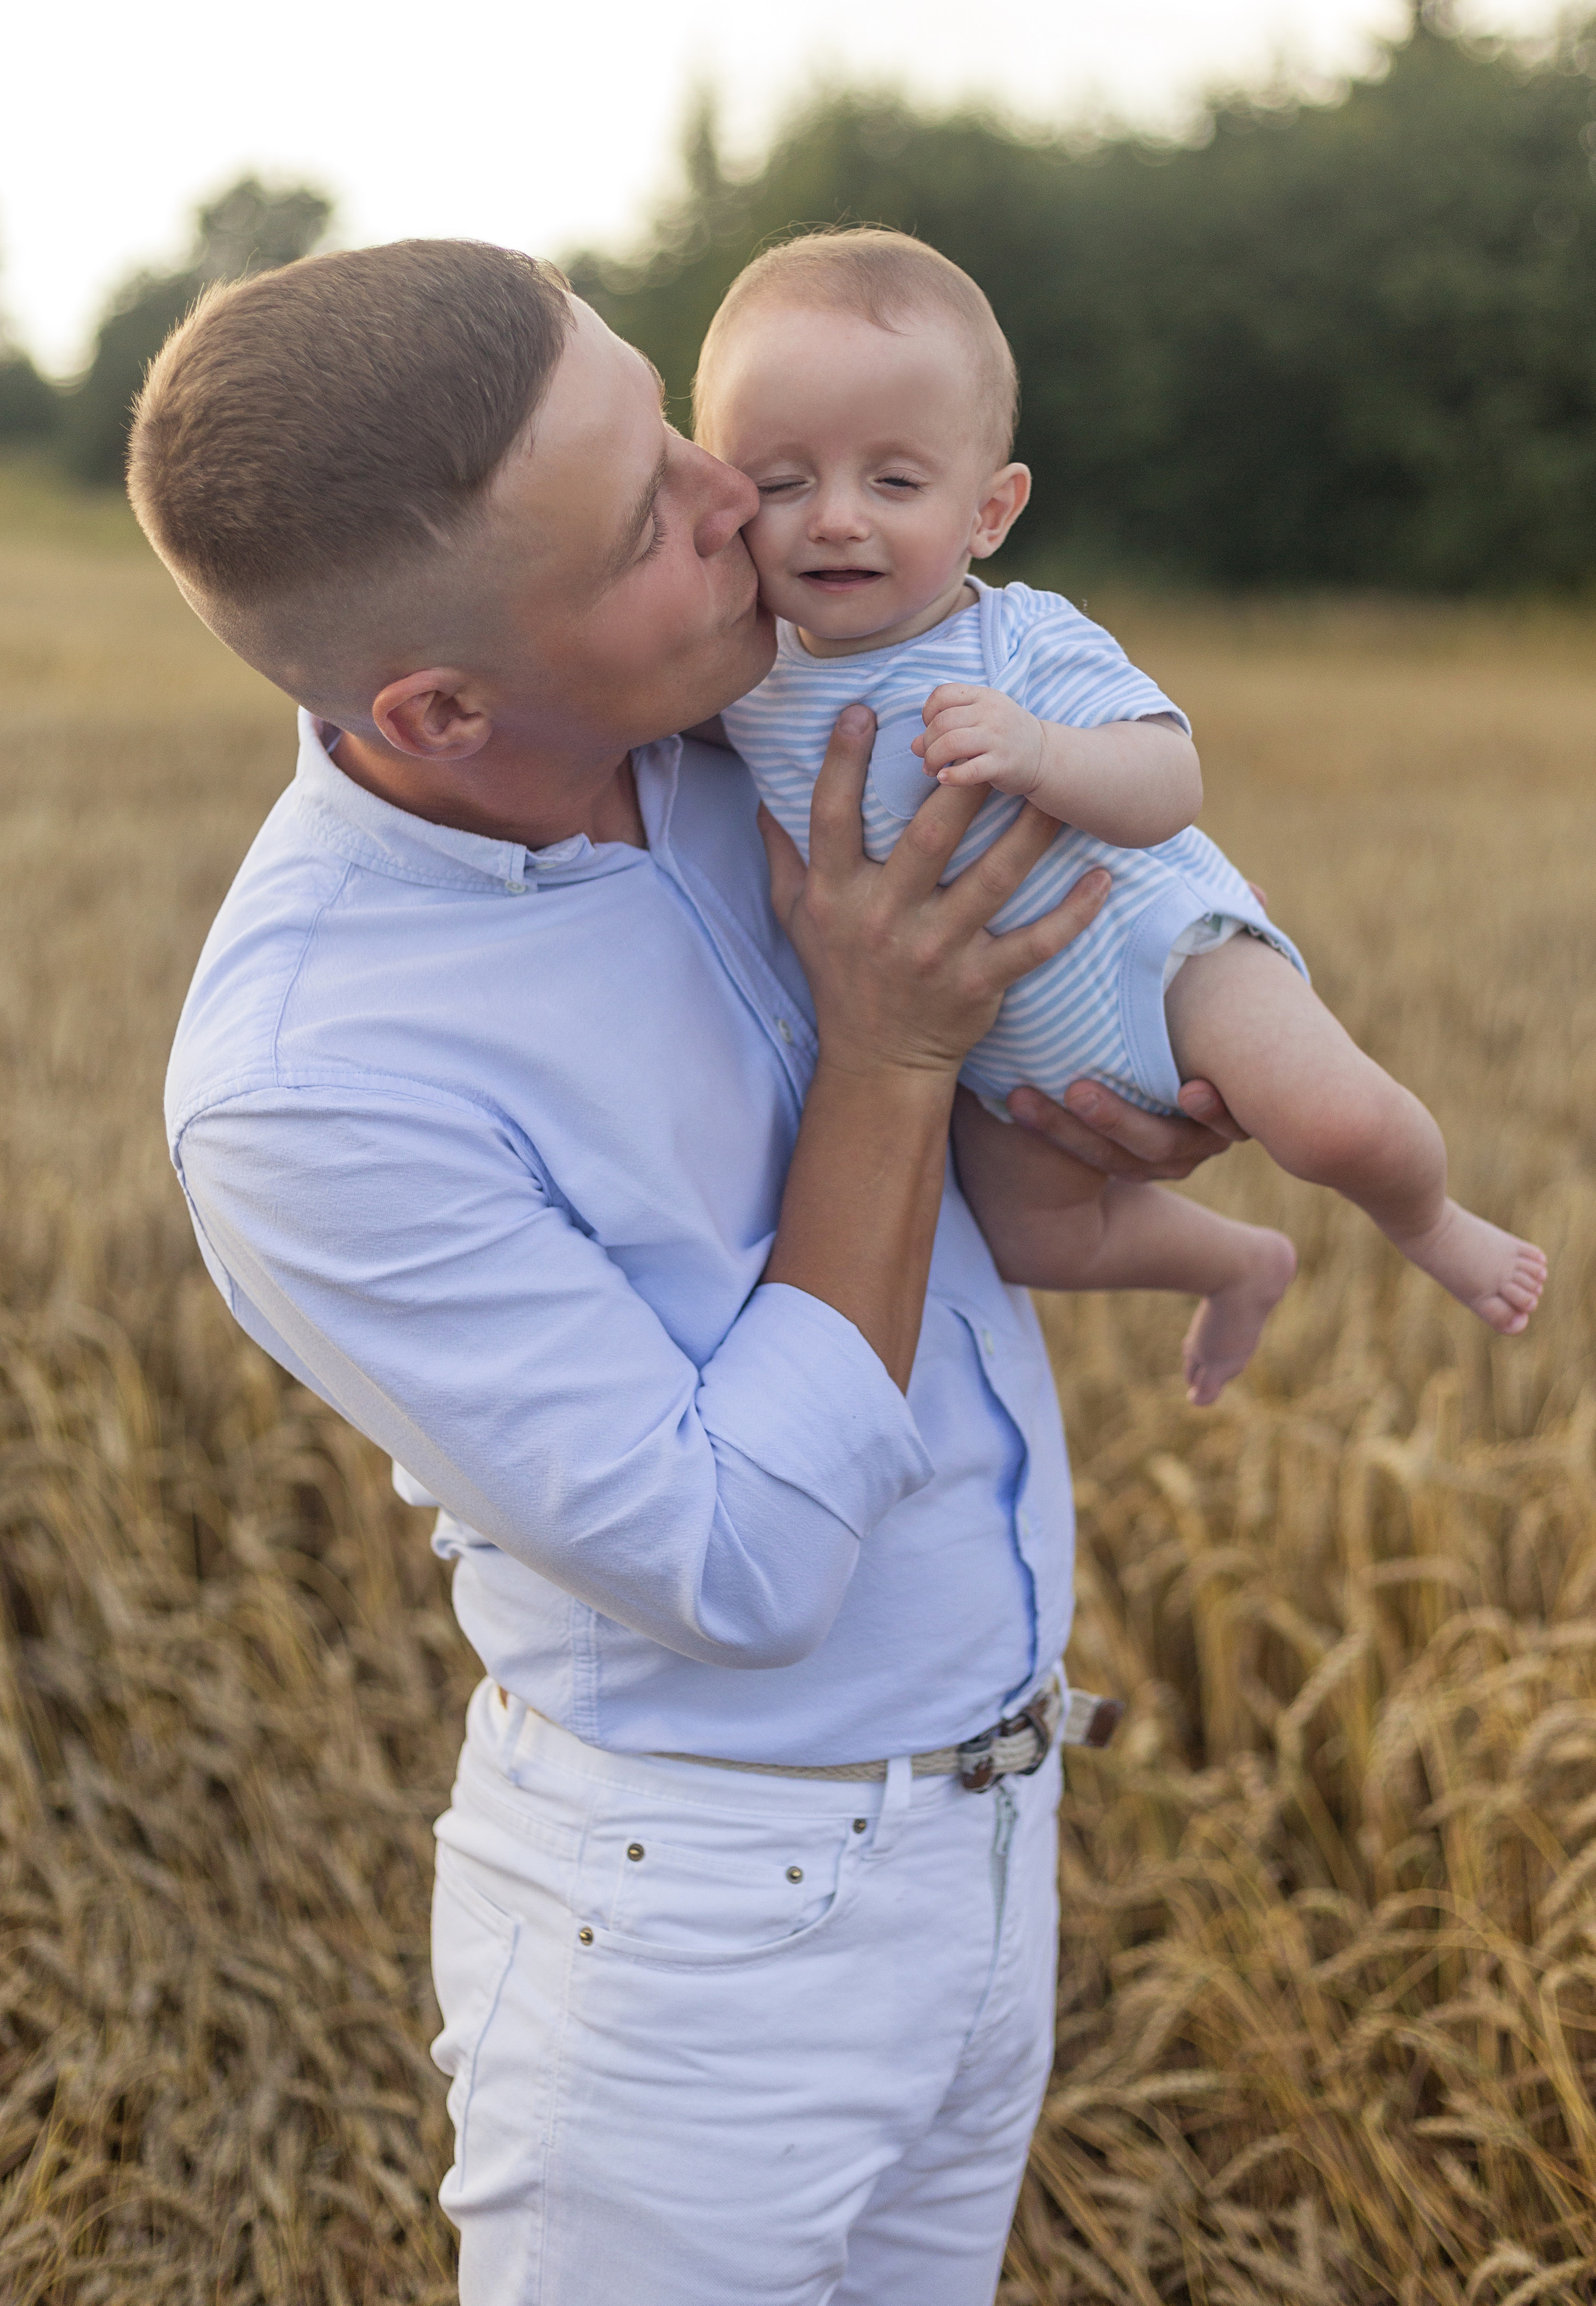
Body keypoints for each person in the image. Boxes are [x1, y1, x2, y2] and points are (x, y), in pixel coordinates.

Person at [132, 239, 1242, 2306]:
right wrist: (896, 1063)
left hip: (1000, 1828)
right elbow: (741, 1558)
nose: (743, 497)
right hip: (701, 1952)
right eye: (649, 514)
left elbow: (945, 1113)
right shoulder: (318, 1086)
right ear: (441, 707)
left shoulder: (746, 730)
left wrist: (1087, 1098)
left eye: (664, 423)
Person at [699, 229, 1548, 1406]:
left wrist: (1041, 750)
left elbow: (1168, 781)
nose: (835, 519)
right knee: (1035, 1242)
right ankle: (1237, 1263)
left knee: (1338, 1127)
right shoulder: (746, 683)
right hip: (997, 1058)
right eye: (784, 483)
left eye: (893, 482)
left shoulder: (1019, 639)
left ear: (990, 510)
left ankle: (1432, 1220)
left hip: (1158, 957)